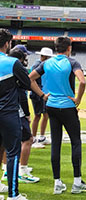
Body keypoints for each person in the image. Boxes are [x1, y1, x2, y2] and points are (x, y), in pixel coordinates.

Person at [29, 36, 86, 195]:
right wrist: (78, 99)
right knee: (75, 143)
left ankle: (57, 182)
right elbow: (83, 82)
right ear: (69, 48)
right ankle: (77, 182)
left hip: (51, 106)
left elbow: (30, 79)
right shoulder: (72, 62)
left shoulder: (46, 63)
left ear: (56, 48)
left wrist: (43, 95)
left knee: (56, 143)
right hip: (68, 107)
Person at [0, 28, 31, 200]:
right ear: (7, 43)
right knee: (12, 153)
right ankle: (13, 195)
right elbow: (26, 83)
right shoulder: (12, 63)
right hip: (8, 113)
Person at [7, 49, 40, 184]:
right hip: (15, 110)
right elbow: (22, 96)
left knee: (5, 143)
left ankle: (6, 170)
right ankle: (22, 171)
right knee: (27, 139)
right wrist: (26, 114)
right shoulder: (17, 70)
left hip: (6, 109)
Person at [30, 48, 54, 149]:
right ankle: (34, 138)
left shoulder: (42, 65)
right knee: (37, 115)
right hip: (37, 94)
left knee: (45, 114)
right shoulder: (38, 65)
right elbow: (32, 80)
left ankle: (42, 137)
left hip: (42, 93)